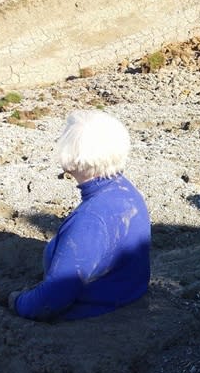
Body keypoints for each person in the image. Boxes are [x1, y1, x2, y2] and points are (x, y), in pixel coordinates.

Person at [8, 110, 151, 321]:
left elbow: (52, 299)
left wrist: (18, 301)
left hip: (95, 311)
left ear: (72, 158)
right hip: (128, 291)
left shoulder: (90, 220)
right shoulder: (124, 189)